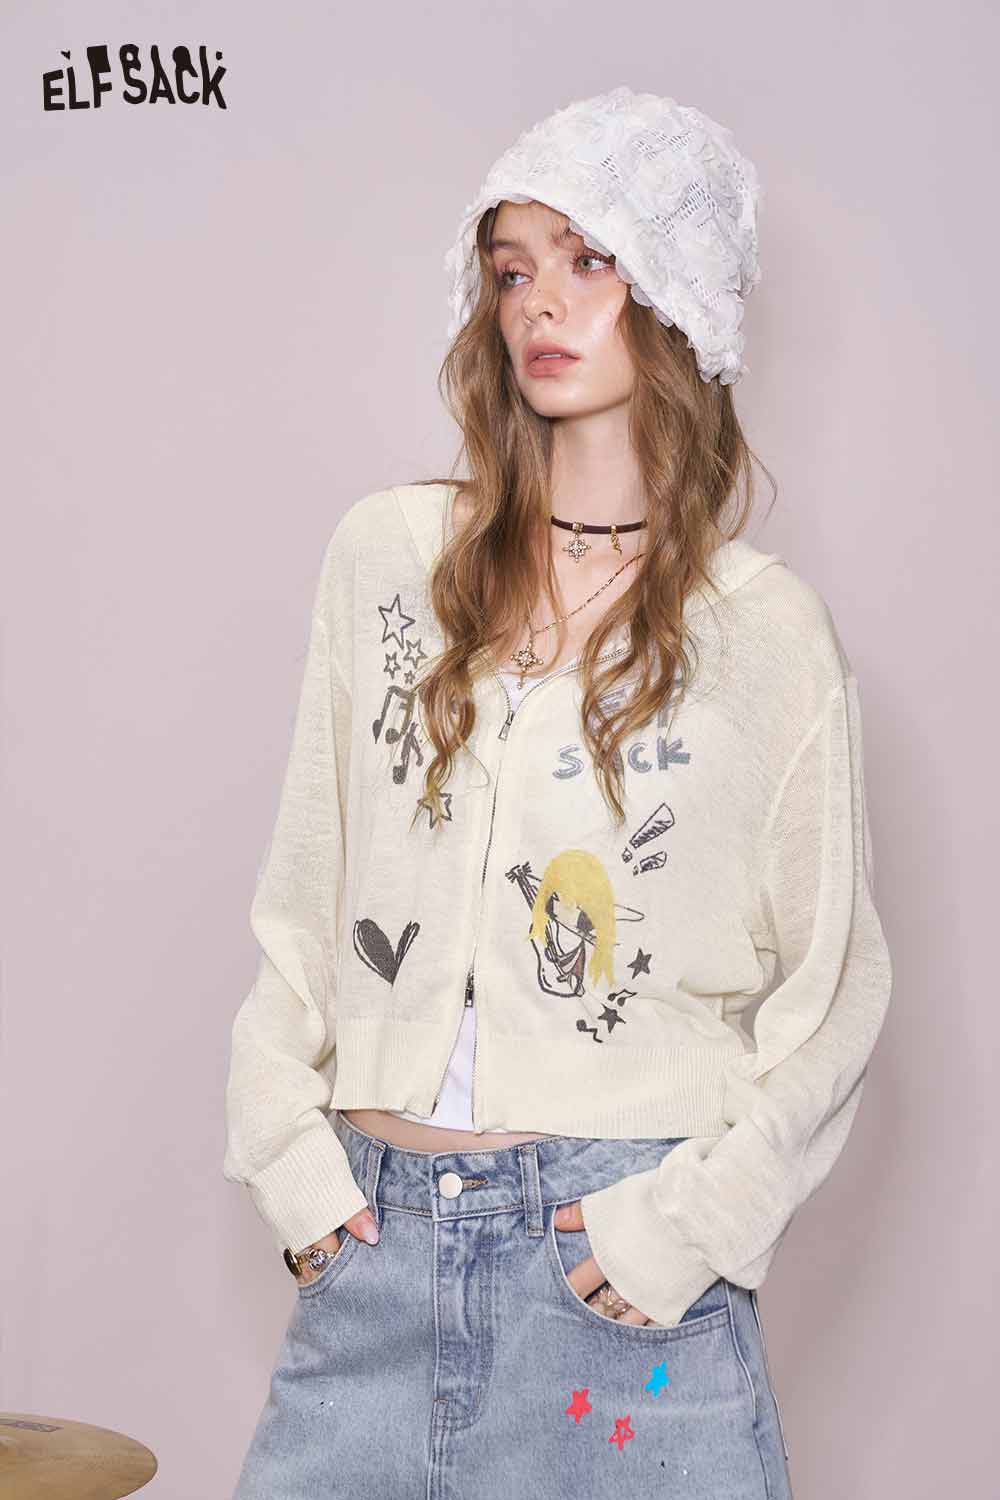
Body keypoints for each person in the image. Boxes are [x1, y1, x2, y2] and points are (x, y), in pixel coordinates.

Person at [224, 85, 892, 1498]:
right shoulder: (390, 562)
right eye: (513, 266)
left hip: (615, 1275)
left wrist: (685, 1230)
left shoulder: (766, 635)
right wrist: (290, 1159)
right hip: (375, 1252)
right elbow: (302, 900)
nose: (541, 301)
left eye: (592, 261)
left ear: (682, 297)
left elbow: (834, 992)